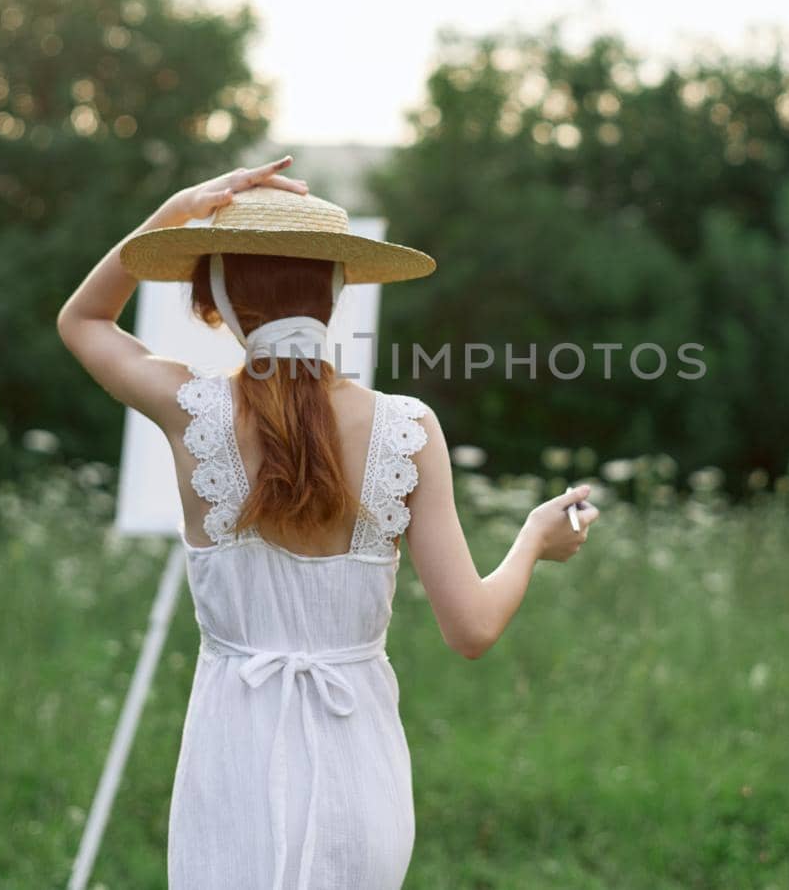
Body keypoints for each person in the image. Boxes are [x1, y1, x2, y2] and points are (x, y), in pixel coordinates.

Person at [56, 154, 600, 889]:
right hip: (359, 766)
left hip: (231, 769)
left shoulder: (188, 410)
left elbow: (83, 319)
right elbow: (471, 629)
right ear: (337, 294)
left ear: (218, 295)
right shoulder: (408, 428)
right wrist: (534, 538)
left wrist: (175, 213)